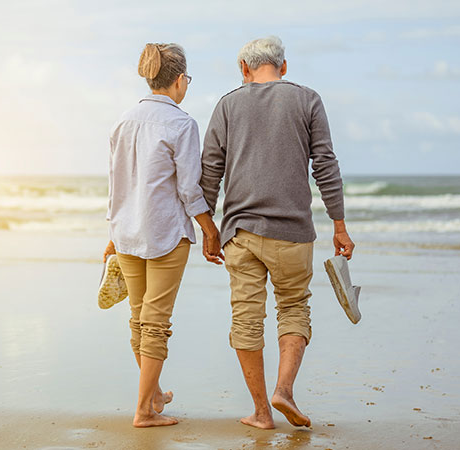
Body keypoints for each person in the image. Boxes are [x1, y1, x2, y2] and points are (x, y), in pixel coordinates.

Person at [200, 36, 355, 429]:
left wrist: (207, 229)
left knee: (247, 320)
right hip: (293, 233)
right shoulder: (307, 100)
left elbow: (209, 172)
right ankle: (283, 390)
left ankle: (261, 412)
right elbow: (325, 165)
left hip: (241, 232)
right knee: (293, 308)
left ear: (244, 70)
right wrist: (339, 224)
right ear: (284, 67)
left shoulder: (228, 104)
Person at [103, 42, 223, 428]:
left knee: (139, 319)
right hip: (166, 233)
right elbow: (190, 188)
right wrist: (208, 229)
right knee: (155, 323)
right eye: (186, 78)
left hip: (126, 233)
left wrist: (111, 233)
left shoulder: (123, 120)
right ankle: (142, 411)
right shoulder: (182, 123)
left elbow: (115, 185)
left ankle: (152, 396)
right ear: (178, 80)